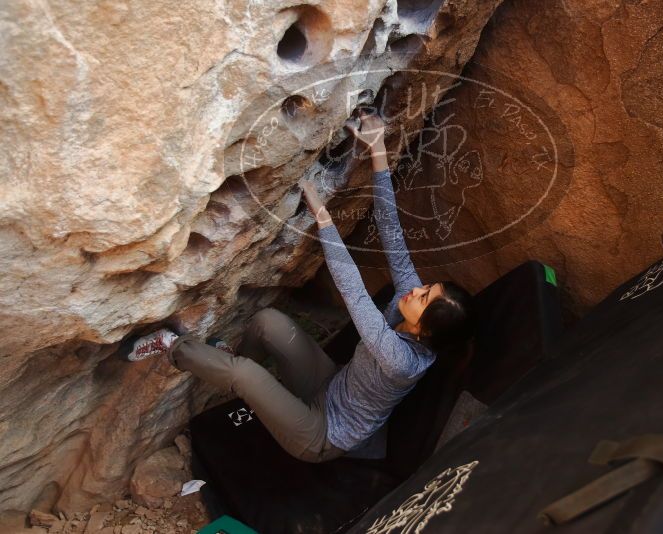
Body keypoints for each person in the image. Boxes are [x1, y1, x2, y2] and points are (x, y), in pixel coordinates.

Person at [124, 111, 475, 463]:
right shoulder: (409, 304)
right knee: (267, 322)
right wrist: (378, 150)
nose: (415, 289)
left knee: (244, 375)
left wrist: (322, 217)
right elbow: (392, 234)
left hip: (321, 435)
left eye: (424, 297)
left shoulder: (401, 361)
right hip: (329, 386)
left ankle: (173, 348)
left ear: (421, 330)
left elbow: (353, 291)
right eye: (426, 286)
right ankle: (230, 363)